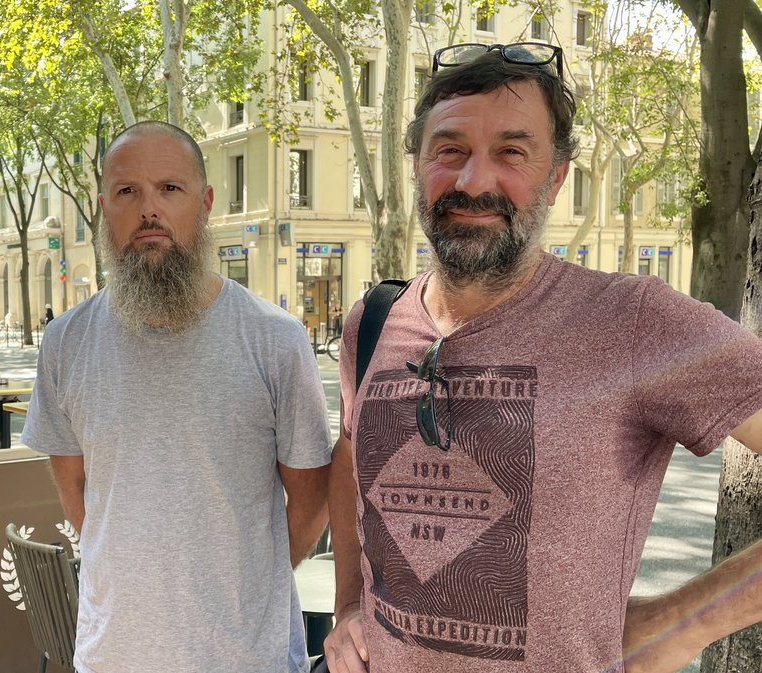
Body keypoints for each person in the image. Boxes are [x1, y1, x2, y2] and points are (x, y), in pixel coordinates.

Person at [324, 43, 762, 673]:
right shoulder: (372, 323)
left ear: (556, 176)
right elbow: (349, 455)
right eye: (450, 151)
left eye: (511, 152)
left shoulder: (634, 321)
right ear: (417, 166)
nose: (474, 181)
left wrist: (684, 623)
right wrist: (346, 607)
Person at [22, 120, 334, 673]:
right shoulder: (66, 341)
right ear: (103, 209)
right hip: (112, 654)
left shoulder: (275, 339)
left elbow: (311, 504)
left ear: (205, 202)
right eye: (127, 192)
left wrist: (241, 584)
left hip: (245, 659)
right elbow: (79, 497)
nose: (149, 210)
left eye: (169, 189)